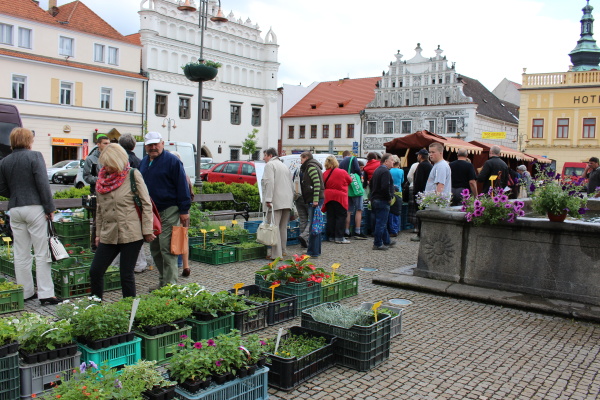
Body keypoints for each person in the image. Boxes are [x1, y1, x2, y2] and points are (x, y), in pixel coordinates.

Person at [0, 128, 59, 305]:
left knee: (21, 252)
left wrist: (16, 194)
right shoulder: (35, 156)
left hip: (15, 209)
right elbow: (43, 184)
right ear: (28, 140)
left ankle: (25, 292)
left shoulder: (4, 161)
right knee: (41, 252)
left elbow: (1, 187)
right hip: (35, 207)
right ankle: (46, 293)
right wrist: (50, 208)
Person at [89, 144, 155, 299]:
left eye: (110, 164)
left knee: (126, 274)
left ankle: (129, 310)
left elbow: (146, 204)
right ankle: (94, 305)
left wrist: (147, 230)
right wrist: (98, 235)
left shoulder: (133, 175)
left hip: (131, 233)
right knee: (95, 271)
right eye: (105, 164)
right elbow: (99, 210)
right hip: (108, 233)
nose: (107, 168)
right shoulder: (102, 180)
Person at [139, 131, 191, 288]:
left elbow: (182, 186)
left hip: (169, 209)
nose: (153, 147)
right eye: (150, 145)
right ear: (146, 146)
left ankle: (171, 286)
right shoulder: (143, 162)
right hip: (150, 212)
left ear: (162, 143)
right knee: (155, 248)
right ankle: (163, 281)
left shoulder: (172, 161)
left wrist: (184, 210)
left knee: (167, 247)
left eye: (156, 144)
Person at [261, 148, 294, 259]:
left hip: (275, 201)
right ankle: (283, 250)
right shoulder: (284, 165)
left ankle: (276, 254)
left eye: (265, 155)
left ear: (270, 155)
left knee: (274, 228)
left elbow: (269, 182)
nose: (263, 158)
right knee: (282, 228)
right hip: (287, 201)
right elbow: (291, 184)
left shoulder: (270, 165)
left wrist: (268, 199)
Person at [170, 150, 194, 277]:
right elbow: (191, 194)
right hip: (185, 210)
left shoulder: (174, 175)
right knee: (183, 236)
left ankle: (175, 264)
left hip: (174, 210)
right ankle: (186, 265)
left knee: (173, 237)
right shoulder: (185, 175)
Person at [84, 134, 111, 251]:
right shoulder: (91, 159)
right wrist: (100, 180)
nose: (107, 146)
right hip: (97, 192)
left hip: (110, 192)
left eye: (108, 143)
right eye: (105, 143)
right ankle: (95, 246)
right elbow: (86, 176)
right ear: (98, 144)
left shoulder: (110, 157)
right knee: (97, 220)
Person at [322, 156, 352, 244]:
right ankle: (339, 237)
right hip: (340, 197)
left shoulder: (324, 173)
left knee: (331, 216)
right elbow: (349, 180)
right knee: (340, 216)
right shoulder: (342, 172)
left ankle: (331, 236)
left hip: (328, 196)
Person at [299, 152, 324, 257]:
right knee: (315, 226)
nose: (300, 161)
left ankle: (312, 252)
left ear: (306, 158)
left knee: (313, 227)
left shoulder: (311, 167)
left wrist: (315, 200)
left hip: (314, 200)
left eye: (301, 158)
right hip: (315, 199)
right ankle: (315, 250)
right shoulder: (312, 166)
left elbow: (317, 183)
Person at [369, 153, 396, 250]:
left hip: (375, 199)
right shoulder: (385, 171)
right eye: (392, 160)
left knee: (381, 222)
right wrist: (389, 197)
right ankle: (377, 243)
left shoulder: (377, 170)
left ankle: (386, 241)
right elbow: (385, 187)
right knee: (381, 223)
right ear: (386, 161)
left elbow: (371, 184)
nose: (393, 162)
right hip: (382, 200)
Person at [339, 150, 367, 239]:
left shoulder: (341, 163)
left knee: (348, 210)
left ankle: (346, 231)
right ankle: (357, 231)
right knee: (359, 209)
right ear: (349, 155)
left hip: (347, 188)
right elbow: (357, 170)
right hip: (355, 187)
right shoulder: (353, 158)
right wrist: (360, 176)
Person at [411, 148, 433, 241]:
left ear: (420, 156)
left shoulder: (421, 166)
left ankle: (420, 234)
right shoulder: (430, 165)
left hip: (420, 193)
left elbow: (418, 180)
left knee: (420, 214)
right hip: (427, 192)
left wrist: (415, 192)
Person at [387, 155, 404, 237]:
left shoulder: (389, 171)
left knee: (391, 211)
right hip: (400, 193)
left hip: (392, 192)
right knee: (398, 211)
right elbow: (403, 181)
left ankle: (392, 229)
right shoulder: (401, 171)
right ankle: (398, 228)